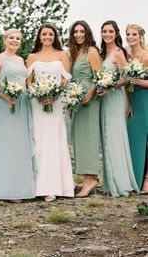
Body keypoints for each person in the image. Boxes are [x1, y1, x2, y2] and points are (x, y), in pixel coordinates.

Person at [27, 23, 74, 202]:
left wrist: (54, 95)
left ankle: (54, 186)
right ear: (39, 36)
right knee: (38, 140)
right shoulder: (32, 56)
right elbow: (28, 82)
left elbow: (66, 79)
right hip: (38, 104)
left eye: (51, 34)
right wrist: (39, 95)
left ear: (55, 36)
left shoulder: (62, 54)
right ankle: (36, 186)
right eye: (44, 34)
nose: (47, 37)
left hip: (55, 103)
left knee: (55, 141)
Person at [0, 28, 36, 201]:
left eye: (18, 38)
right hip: (5, 105)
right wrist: (6, 96)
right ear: (5, 40)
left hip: (22, 104)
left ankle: (20, 186)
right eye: (11, 38)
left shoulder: (21, 59)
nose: (15, 41)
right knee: (6, 143)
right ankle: (5, 189)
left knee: (20, 144)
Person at [99, 20, 139, 197]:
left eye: (110, 31)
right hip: (104, 99)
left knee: (115, 136)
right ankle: (110, 182)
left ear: (116, 33)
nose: (107, 34)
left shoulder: (118, 52)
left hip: (115, 98)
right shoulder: (102, 53)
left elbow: (126, 79)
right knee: (107, 136)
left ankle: (121, 183)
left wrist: (111, 87)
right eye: (104, 31)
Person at [68, 20, 101, 198]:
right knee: (78, 137)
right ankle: (86, 176)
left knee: (88, 137)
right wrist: (73, 102)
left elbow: (99, 77)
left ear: (87, 33)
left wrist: (88, 95)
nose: (78, 35)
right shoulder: (76, 52)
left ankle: (91, 179)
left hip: (90, 100)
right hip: (78, 101)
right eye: (75, 32)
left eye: (81, 31)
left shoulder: (92, 51)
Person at [126, 24, 148, 193]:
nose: (130, 37)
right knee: (134, 140)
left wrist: (141, 82)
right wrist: (128, 103)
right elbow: (126, 84)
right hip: (133, 102)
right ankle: (135, 180)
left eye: (134, 34)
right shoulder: (127, 56)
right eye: (128, 34)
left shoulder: (145, 56)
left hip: (145, 100)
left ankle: (146, 180)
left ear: (141, 37)